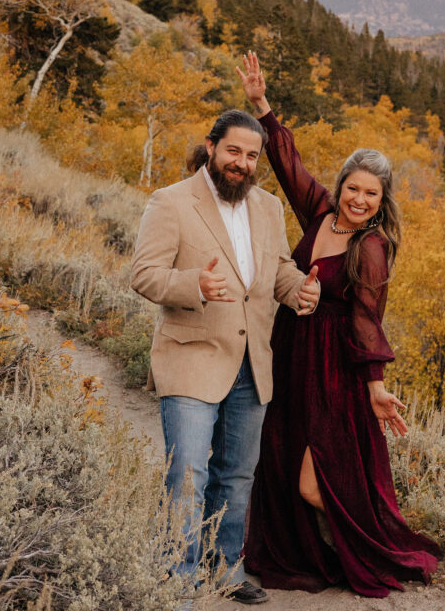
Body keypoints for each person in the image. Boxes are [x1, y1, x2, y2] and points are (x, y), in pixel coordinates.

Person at [237, 52, 441, 596]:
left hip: (332, 366)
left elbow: (367, 317)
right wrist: (261, 106)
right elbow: (287, 165)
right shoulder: (321, 212)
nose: (358, 199)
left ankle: (363, 540)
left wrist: (375, 385)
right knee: (277, 454)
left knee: (315, 477)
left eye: (370, 194)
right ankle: (290, 547)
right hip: (290, 347)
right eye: (353, 187)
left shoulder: (370, 247)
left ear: (380, 204)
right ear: (343, 184)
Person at [130, 109, 320, 606]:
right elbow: (144, 273)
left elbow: (277, 271)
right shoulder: (171, 201)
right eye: (233, 150)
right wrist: (193, 283)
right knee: (188, 473)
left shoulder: (269, 207)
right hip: (191, 357)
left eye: (252, 155)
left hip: (252, 365)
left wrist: (300, 290)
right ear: (211, 146)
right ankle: (179, 576)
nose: (242, 162)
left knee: (237, 475)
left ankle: (226, 567)